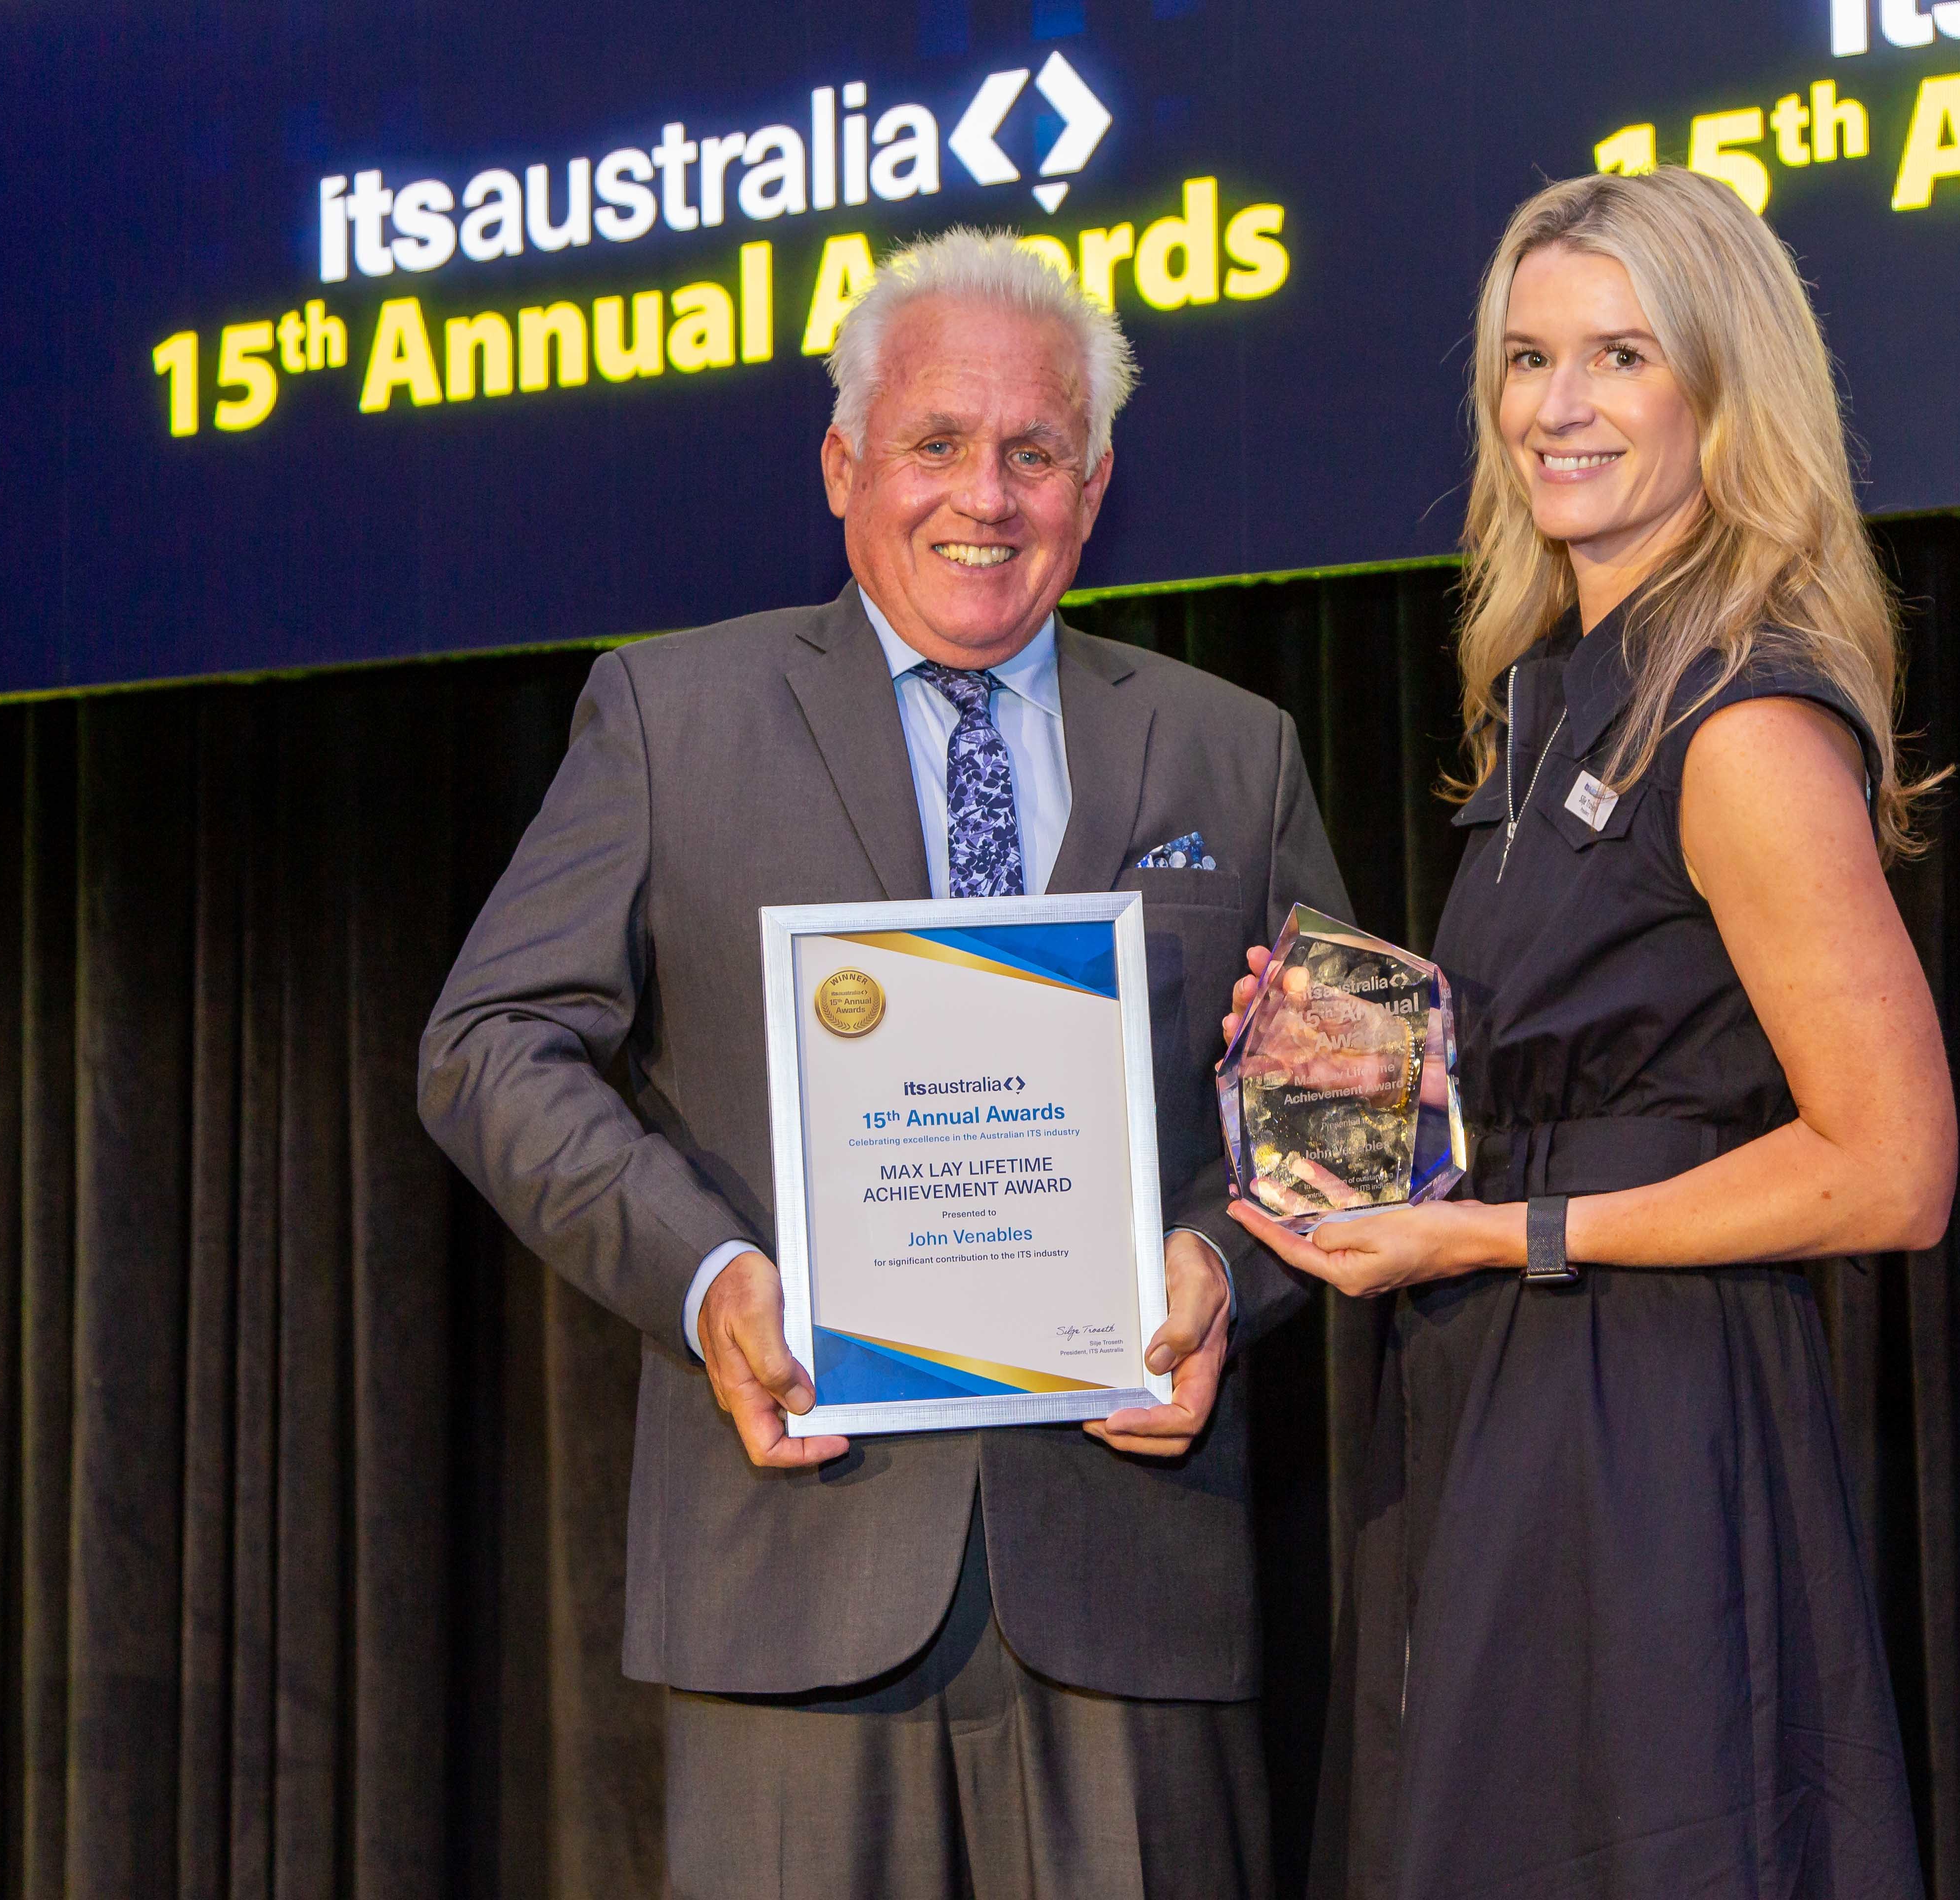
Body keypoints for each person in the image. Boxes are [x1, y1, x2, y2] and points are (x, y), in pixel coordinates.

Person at [421, 228, 1349, 1900]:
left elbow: (1337, 1104)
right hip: (795, 1577)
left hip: (1132, 1586)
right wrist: (706, 1275)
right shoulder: (670, 715)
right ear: (845, 464)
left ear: (1097, 479)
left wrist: (1218, 1265)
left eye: (1033, 451)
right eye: (936, 444)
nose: (983, 497)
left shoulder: (1231, 745)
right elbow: (490, 1043)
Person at [1226, 169, 1955, 1897]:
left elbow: (1892, 1170)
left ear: (1726, 388)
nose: (1558, 406)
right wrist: (1373, 1061)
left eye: (1621, 356)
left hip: (1648, 1421)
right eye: (1528, 357)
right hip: (1516, 1386)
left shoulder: (1744, 720)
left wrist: (1510, 1231)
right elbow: (1616, 1054)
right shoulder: (1563, 694)